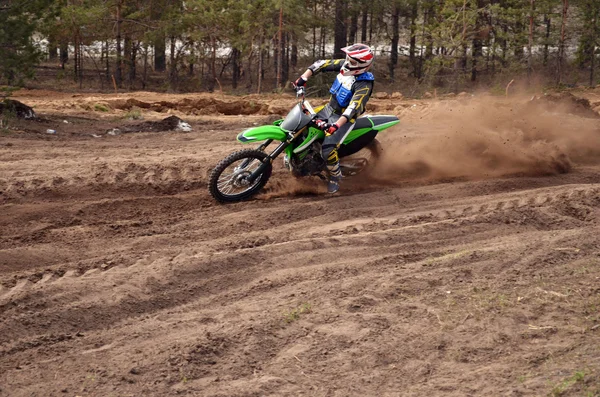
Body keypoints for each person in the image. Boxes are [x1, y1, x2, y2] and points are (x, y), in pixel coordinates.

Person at [293, 43, 375, 194]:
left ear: (360, 65)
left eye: (351, 60)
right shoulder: (345, 67)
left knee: (327, 150)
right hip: (327, 109)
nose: (347, 61)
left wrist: (336, 125)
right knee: (300, 125)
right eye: (348, 58)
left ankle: (336, 176)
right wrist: (303, 78)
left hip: (343, 119)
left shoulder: (364, 84)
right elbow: (321, 64)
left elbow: (353, 108)